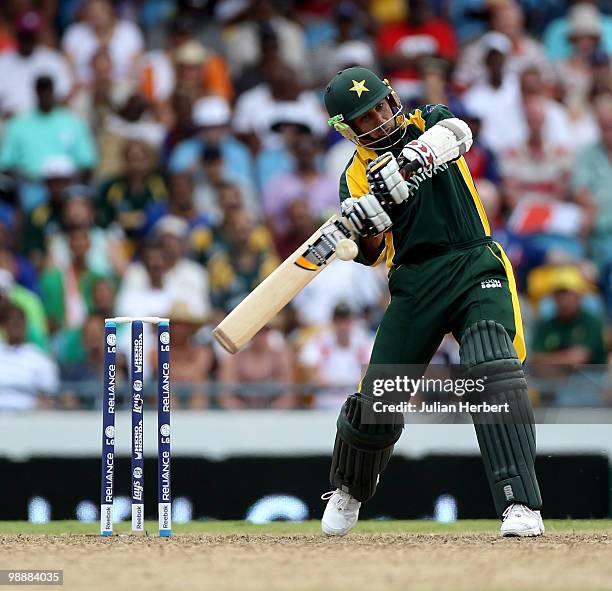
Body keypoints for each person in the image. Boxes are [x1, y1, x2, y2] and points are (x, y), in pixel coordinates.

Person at [320, 66, 544, 537]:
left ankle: (521, 505)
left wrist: (412, 161)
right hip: (415, 283)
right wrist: (365, 219)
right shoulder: (354, 181)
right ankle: (348, 489)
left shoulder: (426, 121)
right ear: (347, 129)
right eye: (366, 116)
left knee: (491, 363)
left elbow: (458, 134)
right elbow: (369, 251)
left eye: (382, 103)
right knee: (378, 395)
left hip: (473, 263)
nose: (380, 117)